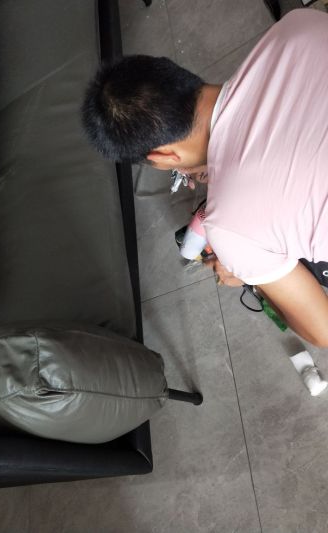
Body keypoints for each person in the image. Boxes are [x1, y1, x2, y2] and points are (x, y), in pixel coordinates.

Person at [81, 9, 328, 347]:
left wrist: (252, 276)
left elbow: (323, 330)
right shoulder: (296, 26)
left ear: (164, 157)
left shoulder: (232, 230)